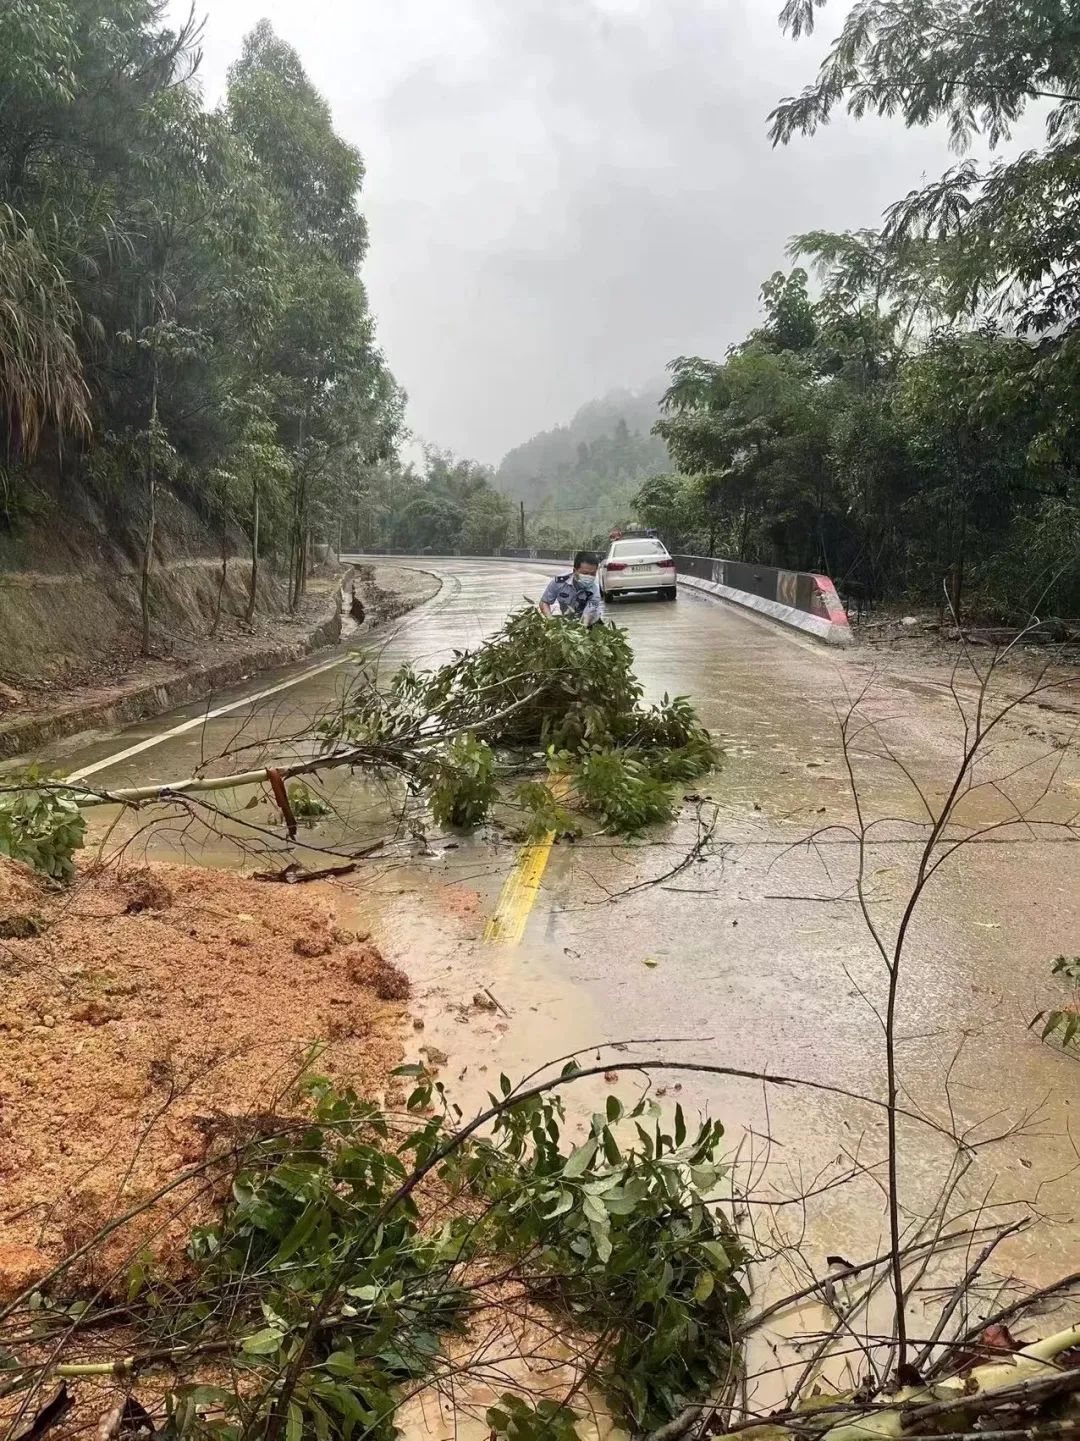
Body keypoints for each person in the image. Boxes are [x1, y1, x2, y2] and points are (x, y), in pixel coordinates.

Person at [539, 551, 603, 627]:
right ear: (574, 571)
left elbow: (587, 615)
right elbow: (544, 602)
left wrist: (580, 630)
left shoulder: (594, 591)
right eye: (585, 573)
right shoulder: (559, 583)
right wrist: (551, 620)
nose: (589, 577)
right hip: (568, 622)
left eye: (593, 574)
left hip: (591, 624)